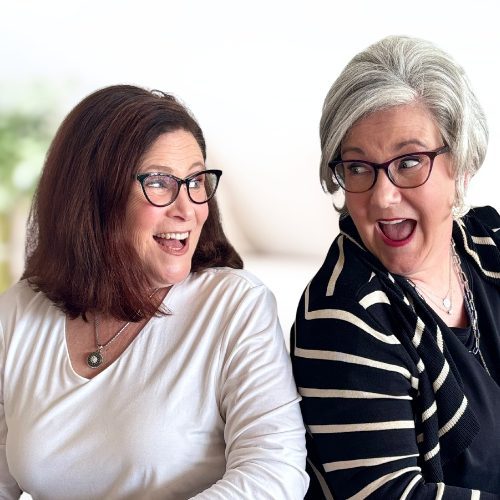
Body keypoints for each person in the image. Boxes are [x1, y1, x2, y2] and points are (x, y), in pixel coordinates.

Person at [0, 84, 308, 499]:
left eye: (196, 181)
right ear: (94, 196)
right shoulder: (19, 312)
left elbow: (276, 473)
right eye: (160, 182)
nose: (188, 208)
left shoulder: (235, 306)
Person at [291, 35, 500, 498]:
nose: (383, 197)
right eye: (359, 168)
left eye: (409, 162)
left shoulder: (488, 244)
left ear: (460, 165)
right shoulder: (344, 313)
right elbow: (389, 494)